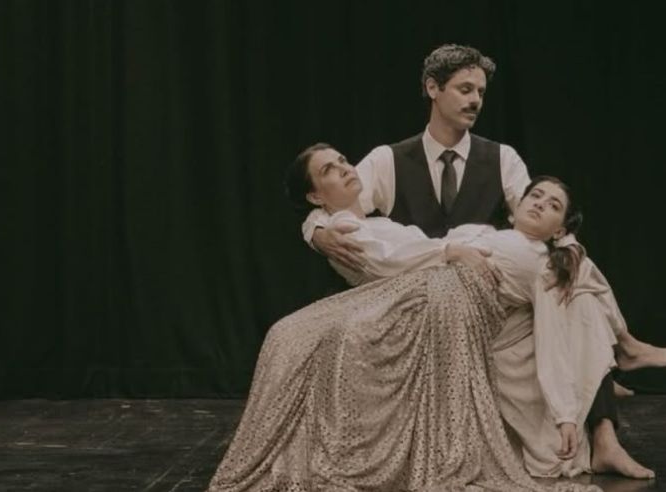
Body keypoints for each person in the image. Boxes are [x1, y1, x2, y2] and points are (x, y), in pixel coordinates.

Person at [303, 44, 666, 479]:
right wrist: (316, 230)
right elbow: (340, 205)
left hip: (491, 304)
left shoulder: (502, 158)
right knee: (572, 293)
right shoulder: (389, 159)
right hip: (426, 300)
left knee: (571, 288)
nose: (475, 100)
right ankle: (616, 358)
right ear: (432, 88)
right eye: (464, 89)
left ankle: (606, 437)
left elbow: (543, 214)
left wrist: (570, 248)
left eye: (480, 91)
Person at [209, 144, 603, 492]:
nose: (346, 168)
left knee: (588, 299)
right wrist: (449, 252)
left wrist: (566, 245)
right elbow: (390, 258)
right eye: (330, 169)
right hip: (421, 294)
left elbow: (555, 321)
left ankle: (615, 376)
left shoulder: (380, 222)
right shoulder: (348, 222)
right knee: (294, 334)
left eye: (343, 160)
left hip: (453, 292)